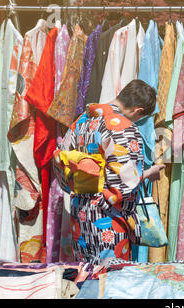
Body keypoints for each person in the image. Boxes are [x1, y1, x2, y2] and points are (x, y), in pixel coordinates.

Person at [53, 79, 164, 265]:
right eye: (140, 117)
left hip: (80, 210)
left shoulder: (83, 120)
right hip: (107, 215)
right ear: (138, 111)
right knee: (110, 279)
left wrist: (75, 186)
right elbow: (123, 184)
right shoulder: (123, 127)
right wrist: (146, 174)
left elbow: (61, 159)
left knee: (84, 272)